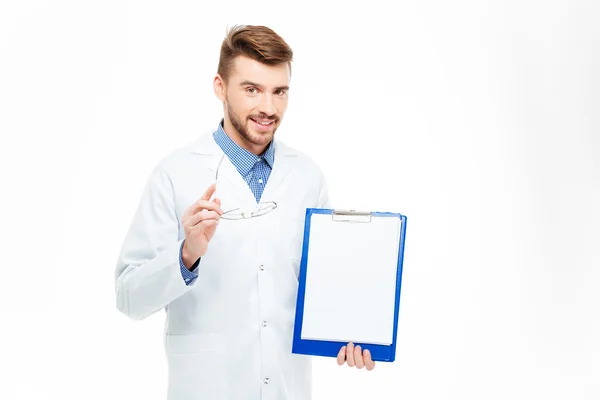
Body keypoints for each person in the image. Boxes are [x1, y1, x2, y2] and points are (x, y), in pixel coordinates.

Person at [114, 25, 375, 400]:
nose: (268, 108)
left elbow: (321, 291)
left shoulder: (307, 177)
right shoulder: (175, 174)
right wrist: (186, 256)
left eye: (279, 92)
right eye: (252, 89)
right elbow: (128, 297)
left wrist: (352, 334)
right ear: (220, 87)